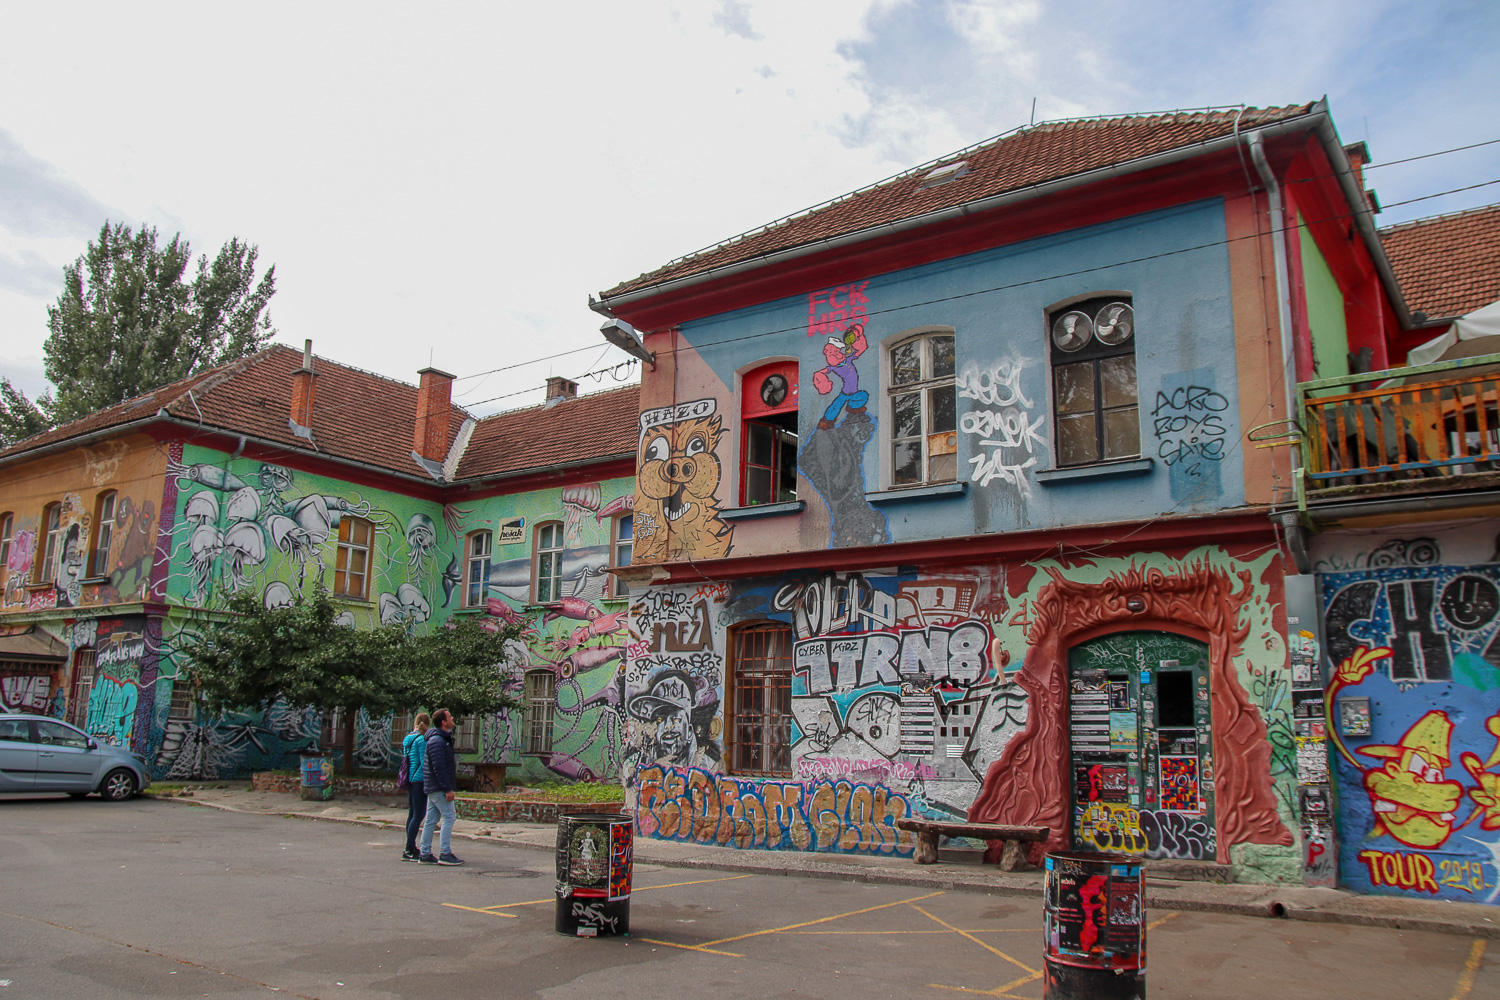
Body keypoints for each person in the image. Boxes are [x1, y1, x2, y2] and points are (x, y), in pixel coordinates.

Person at [418, 708, 463, 865]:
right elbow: (439, 767)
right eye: (450, 716)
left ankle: (425, 853)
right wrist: (447, 789)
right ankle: (445, 853)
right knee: (449, 816)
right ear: (444, 722)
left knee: (431, 819)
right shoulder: (437, 741)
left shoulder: (440, 739)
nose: (452, 718)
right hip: (438, 787)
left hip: (434, 786)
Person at [399, 712, 431, 861]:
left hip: (410, 779)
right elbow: (424, 761)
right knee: (419, 814)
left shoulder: (408, 739)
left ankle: (410, 847)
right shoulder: (421, 740)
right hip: (419, 780)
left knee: (412, 814)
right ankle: (408, 848)